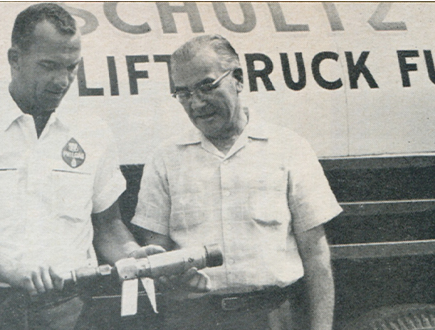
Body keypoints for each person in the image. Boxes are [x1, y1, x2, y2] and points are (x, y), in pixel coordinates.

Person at [0, 4, 154, 329]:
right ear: (14, 59)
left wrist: (133, 254)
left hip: (71, 311)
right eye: (48, 66)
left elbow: (108, 226)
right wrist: (14, 271)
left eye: (71, 68)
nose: (61, 81)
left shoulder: (92, 130)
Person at [131, 34, 343, 330]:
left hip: (273, 317)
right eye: (184, 93)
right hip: (193, 320)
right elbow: (157, 251)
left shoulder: (289, 148)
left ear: (239, 79)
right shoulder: (165, 159)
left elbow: (316, 255)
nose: (197, 102)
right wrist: (167, 272)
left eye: (206, 86)